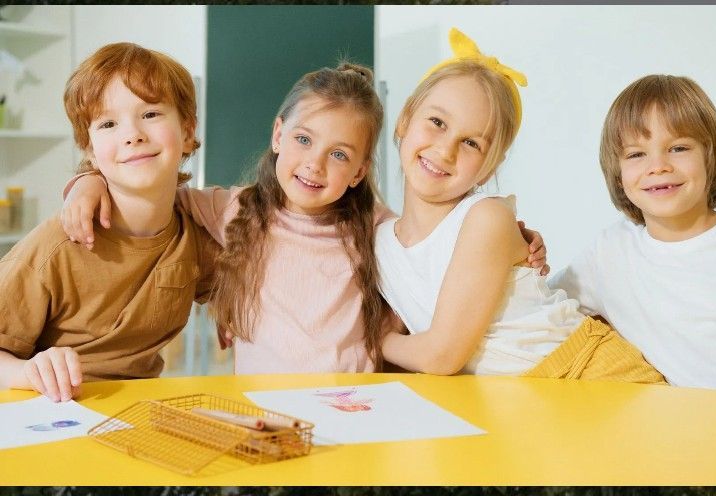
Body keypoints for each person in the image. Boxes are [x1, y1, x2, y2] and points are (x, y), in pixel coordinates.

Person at [62, 60, 548, 375]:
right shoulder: (231, 209)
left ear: (360, 171)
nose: (315, 164)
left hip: (357, 409)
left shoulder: (379, 232)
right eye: (303, 140)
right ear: (278, 134)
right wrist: (89, 179)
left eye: (340, 155)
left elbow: (441, 256)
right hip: (266, 416)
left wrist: (517, 243)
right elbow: (149, 187)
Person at [376, 28, 665, 384]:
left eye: (471, 142)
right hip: (518, 396)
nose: (446, 149)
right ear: (405, 119)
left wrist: (379, 341)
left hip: (588, 372)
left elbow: (442, 355)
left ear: (490, 166)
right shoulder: (380, 241)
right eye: (436, 122)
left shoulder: (486, 218)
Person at [0, 42, 218, 401]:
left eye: (150, 114)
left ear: (187, 131)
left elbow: (240, 291)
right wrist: (26, 370)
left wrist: (233, 314)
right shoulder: (57, 245)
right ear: (90, 149)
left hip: (139, 412)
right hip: (51, 413)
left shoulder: (195, 234)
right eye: (108, 123)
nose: (132, 134)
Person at [549, 74, 716, 395]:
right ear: (618, 175)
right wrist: (520, 250)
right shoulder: (610, 253)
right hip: (684, 431)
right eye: (636, 154)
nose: (658, 165)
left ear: (710, 157)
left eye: (678, 147)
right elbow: (544, 308)